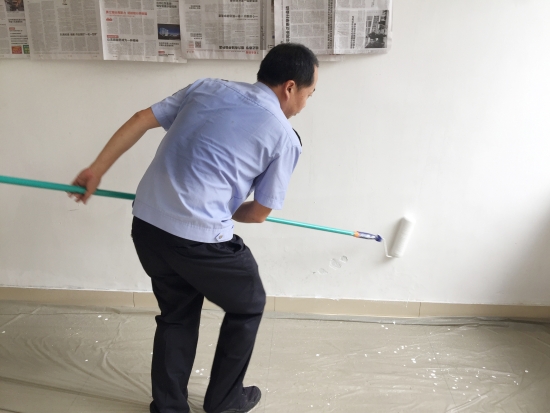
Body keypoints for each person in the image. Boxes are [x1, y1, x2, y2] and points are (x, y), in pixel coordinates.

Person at [71, 43, 319, 413]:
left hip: (148, 225)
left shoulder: (207, 87)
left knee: (177, 313)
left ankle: (168, 407)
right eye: (309, 94)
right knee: (249, 303)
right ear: (290, 87)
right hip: (199, 242)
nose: (305, 103)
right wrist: (226, 209)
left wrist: (96, 170)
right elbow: (258, 214)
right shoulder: (284, 137)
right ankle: (225, 400)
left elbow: (141, 118)